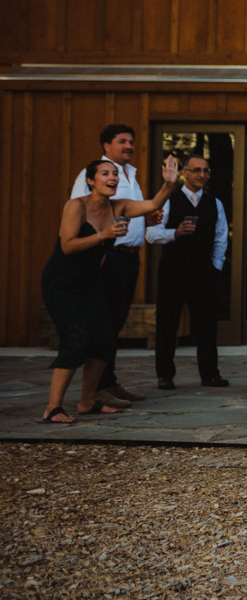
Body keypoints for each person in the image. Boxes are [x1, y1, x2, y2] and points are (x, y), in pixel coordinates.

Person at [43, 156, 179, 422]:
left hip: (91, 281)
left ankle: (87, 401)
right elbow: (68, 246)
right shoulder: (76, 206)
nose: (113, 178)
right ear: (91, 181)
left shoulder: (119, 206)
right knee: (76, 340)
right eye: (105, 174)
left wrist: (169, 185)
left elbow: (152, 204)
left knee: (105, 340)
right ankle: (53, 408)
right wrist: (102, 236)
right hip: (62, 282)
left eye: (115, 174)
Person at [70, 124, 153, 407]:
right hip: (107, 256)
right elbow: (80, 210)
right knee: (103, 324)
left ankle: (110, 382)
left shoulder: (131, 175)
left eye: (131, 141)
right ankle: (97, 389)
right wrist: (97, 250)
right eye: (122, 142)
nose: (128, 146)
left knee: (115, 324)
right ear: (106, 147)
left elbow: (128, 212)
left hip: (129, 257)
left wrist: (147, 220)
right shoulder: (92, 174)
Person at [146, 154, 229, 389]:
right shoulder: (168, 200)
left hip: (204, 272)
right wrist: (175, 233)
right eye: (196, 170)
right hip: (173, 271)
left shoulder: (215, 203)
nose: (202, 175)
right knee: (167, 324)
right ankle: (165, 375)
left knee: (206, 325)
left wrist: (216, 266)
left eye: (205, 170)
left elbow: (221, 237)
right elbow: (151, 235)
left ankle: (210, 373)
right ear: (184, 173)